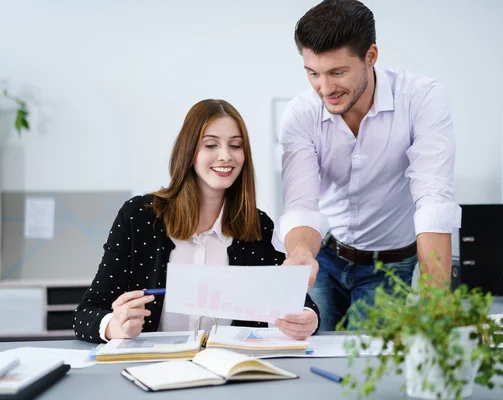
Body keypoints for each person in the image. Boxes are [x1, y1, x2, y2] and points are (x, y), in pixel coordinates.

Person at [275, 0, 461, 331]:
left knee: (366, 368)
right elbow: (301, 203)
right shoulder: (300, 114)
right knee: (308, 351)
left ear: (371, 56)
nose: (325, 88)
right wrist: (301, 253)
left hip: (389, 266)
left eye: (337, 72)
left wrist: (436, 301)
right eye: (313, 74)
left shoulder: (421, 99)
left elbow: (433, 200)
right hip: (325, 258)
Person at [74, 99, 320, 343]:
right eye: (211, 145)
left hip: (233, 370)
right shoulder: (138, 216)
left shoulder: (257, 226)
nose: (225, 156)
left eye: (235, 146)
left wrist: (309, 319)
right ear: (189, 151)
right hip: (155, 371)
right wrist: (115, 326)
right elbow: (86, 313)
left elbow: (299, 303)